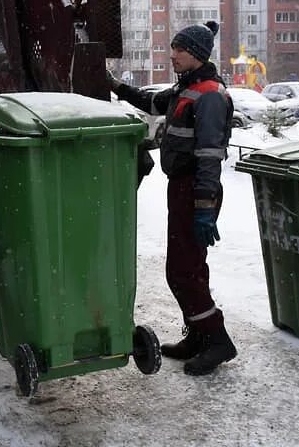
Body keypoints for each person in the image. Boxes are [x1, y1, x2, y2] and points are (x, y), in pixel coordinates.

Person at [106, 21, 237, 375]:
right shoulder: (186, 89)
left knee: (184, 270)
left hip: (196, 190)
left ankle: (217, 340)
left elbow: (211, 156)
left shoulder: (209, 94)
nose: (172, 54)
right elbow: (151, 102)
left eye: (178, 49)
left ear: (195, 53)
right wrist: (115, 86)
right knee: (184, 269)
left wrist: (205, 208)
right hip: (180, 188)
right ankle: (198, 335)